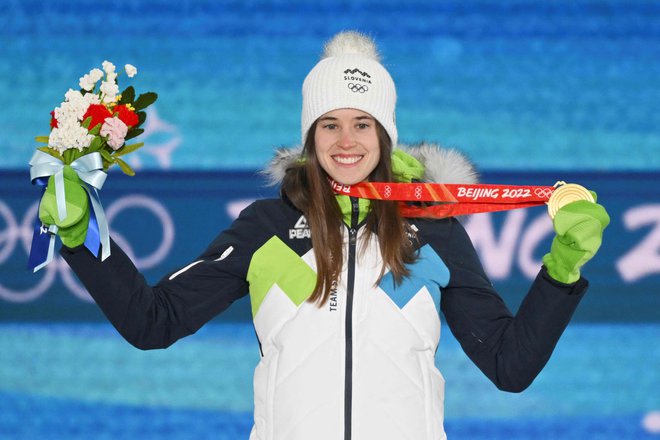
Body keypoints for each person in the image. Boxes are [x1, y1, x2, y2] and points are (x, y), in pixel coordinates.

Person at [39, 31, 610, 440]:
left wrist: (562, 269)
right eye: (329, 124)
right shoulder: (267, 228)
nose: (346, 141)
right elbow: (152, 322)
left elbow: (509, 366)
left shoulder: (432, 230)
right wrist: (82, 237)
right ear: (310, 137)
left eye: (362, 123)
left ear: (385, 135)